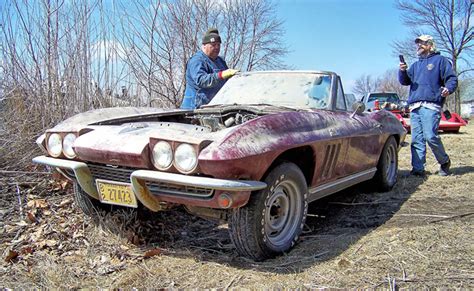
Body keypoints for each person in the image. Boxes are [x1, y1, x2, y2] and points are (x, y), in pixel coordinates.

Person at [398, 35, 458, 177]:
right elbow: (405, 81)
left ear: (430, 45)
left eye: (422, 43)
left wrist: (448, 89)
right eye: (417, 43)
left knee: (431, 136)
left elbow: (452, 79)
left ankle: (444, 161)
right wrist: (402, 71)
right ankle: (418, 169)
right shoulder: (415, 65)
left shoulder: (441, 61)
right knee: (416, 139)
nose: (418, 46)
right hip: (415, 106)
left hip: (431, 105)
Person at [181, 28, 238, 109]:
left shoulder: (220, 61)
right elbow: (201, 80)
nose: (217, 48)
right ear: (204, 46)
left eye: (218, 45)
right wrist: (221, 75)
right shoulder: (197, 60)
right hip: (194, 109)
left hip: (214, 107)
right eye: (213, 45)